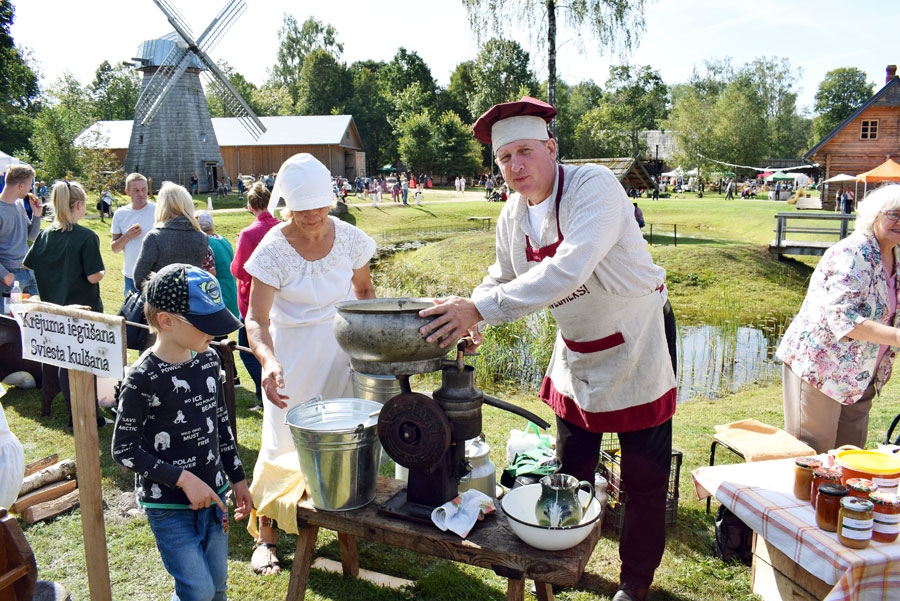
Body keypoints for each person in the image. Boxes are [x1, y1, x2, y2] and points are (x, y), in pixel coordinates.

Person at [418, 97, 676, 601]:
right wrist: (473, 312)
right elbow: (502, 276)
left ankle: (635, 581)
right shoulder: (512, 215)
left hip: (637, 337)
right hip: (577, 345)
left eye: (525, 152)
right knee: (572, 465)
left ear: (551, 148)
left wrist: (480, 309)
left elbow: (569, 269)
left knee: (643, 475)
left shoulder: (593, 186)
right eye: (504, 157)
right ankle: (559, 556)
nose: (515, 165)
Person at [243, 153, 376, 575]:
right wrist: (267, 361)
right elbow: (256, 319)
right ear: (287, 205)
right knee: (282, 443)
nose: (312, 215)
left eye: (319, 205)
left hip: (341, 354)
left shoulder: (351, 239)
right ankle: (266, 536)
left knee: (344, 439)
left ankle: (343, 520)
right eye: (302, 209)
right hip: (292, 360)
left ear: (331, 200)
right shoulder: (273, 249)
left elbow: (365, 293)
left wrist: (371, 347)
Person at [111, 263, 251, 601]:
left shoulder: (210, 360)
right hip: (169, 506)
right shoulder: (141, 378)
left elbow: (220, 423)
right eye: (205, 325)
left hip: (215, 495)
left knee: (217, 587)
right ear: (166, 321)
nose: (214, 333)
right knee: (197, 590)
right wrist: (183, 479)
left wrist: (238, 478)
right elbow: (124, 450)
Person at [777, 185, 900, 454]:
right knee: (812, 455)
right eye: (895, 214)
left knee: (850, 456)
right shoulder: (852, 253)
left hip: (862, 373)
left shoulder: (894, 254)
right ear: (873, 215)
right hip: (822, 369)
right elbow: (843, 318)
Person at [24, 180, 106, 427]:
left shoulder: (45, 234)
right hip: (83, 310)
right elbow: (93, 276)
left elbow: (28, 264)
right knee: (86, 363)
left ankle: (75, 413)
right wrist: (101, 273)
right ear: (79, 205)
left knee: (65, 361)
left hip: (55, 310)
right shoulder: (86, 236)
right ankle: (87, 414)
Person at [230, 183, 280, 409]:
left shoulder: (249, 233)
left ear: (250, 206)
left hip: (253, 298)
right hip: (279, 298)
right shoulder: (281, 227)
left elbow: (238, 270)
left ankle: (264, 395)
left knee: (248, 350)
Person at [133, 182, 210, 292]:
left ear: (162, 206)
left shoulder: (155, 237)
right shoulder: (202, 237)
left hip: (160, 298)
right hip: (190, 297)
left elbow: (139, 279)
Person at [0, 165, 42, 297]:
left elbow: (30, 237)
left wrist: (36, 215)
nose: (31, 188)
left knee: (35, 310)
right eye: (30, 184)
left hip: (28, 271)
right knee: (8, 312)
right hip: (9, 275)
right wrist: (4, 274)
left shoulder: (19, 204)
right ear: (20, 186)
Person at [110, 173, 155, 296]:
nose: (141, 194)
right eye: (136, 190)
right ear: (127, 192)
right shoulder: (120, 214)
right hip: (131, 277)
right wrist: (127, 236)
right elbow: (114, 249)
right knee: (131, 309)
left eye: (144, 189)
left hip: (154, 276)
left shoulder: (158, 210)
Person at [196, 211, 239, 320]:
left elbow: (210, 273)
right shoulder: (223, 239)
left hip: (218, 294)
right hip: (231, 290)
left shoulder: (205, 243)